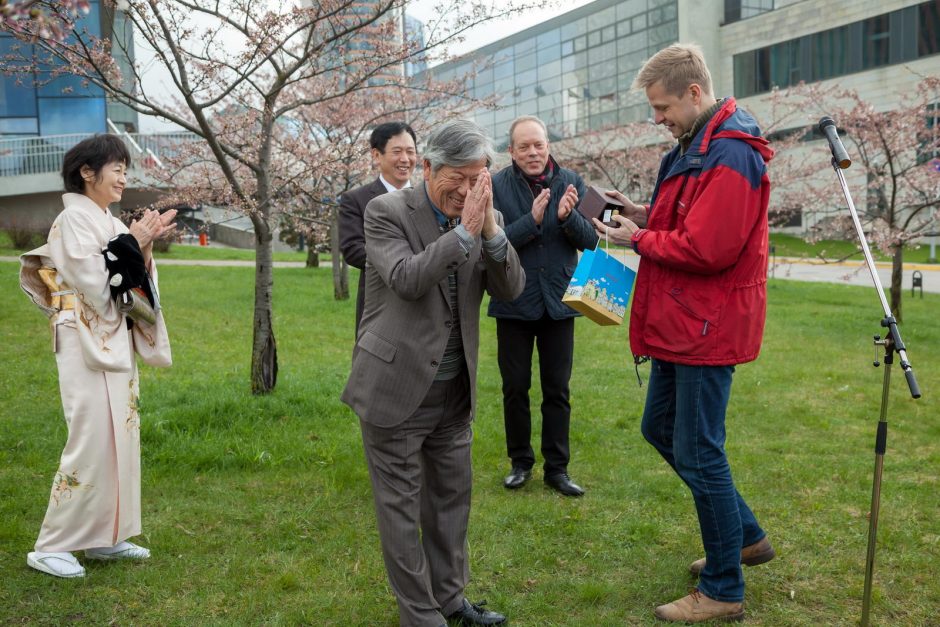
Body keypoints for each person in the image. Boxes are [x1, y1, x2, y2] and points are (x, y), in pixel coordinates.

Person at [595, 43, 775, 622]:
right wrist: (643, 215)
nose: (658, 118)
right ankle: (743, 537)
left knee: (699, 451)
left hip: (705, 323)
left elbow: (709, 247)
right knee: (662, 428)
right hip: (682, 319)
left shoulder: (731, 154)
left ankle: (724, 588)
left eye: (663, 106)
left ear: (694, 93)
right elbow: (688, 221)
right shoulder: (697, 146)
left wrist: (636, 241)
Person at [341, 119, 524, 627]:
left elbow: (511, 289)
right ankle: (421, 617)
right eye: (456, 178)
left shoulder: (485, 217)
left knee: (450, 504)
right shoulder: (386, 211)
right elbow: (406, 278)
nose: (466, 190)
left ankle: (451, 600)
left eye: (477, 178)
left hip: (453, 390)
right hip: (395, 389)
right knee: (400, 513)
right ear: (427, 168)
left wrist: (489, 233)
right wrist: (466, 230)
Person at [19, 134, 176, 579]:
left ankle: (104, 536)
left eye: (126, 168)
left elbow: (127, 278)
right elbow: (92, 279)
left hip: (109, 335)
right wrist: (133, 238)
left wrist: (142, 246)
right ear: (87, 172)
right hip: (82, 338)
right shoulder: (74, 220)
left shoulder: (104, 220)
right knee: (90, 437)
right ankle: (52, 544)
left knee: (118, 437)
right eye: (117, 167)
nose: (125, 176)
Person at [489, 115, 597, 497]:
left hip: (559, 302)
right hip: (514, 301)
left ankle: (558, 468)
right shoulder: (497, 185)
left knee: (557, 389)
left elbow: (591, 241)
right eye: (524, 147)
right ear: (511, 151)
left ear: (548, 144)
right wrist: (531, 220)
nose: (533, 153)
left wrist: (567, 218)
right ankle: (520, 463)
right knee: (515, 388)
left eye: (539, 144)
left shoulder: (572, 181)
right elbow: (494, 244)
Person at [339, 121, 418, 333]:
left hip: (425, 303)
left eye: (410, 152)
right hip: (380, 303)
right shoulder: (355, 199)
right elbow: (352, 249)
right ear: (376, 155)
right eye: (397, 152)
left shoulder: (428, 198)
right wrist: (401, 264)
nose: (405, 159)